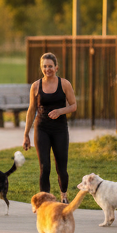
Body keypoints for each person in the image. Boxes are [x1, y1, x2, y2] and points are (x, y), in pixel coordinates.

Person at [22, 52, 78, 199]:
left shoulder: (64, 84)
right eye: (45, 66)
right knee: (44, 167)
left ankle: (64, 196)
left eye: (50, 66)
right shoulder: (35, 86)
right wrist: (26, 133)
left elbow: (73, 106)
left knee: (61, 168)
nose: (48, 69)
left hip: (59, 130)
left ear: (56, 67)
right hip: (42, 129)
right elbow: (31, 110)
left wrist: (60, 111)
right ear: (41, 68)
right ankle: (45, 200)